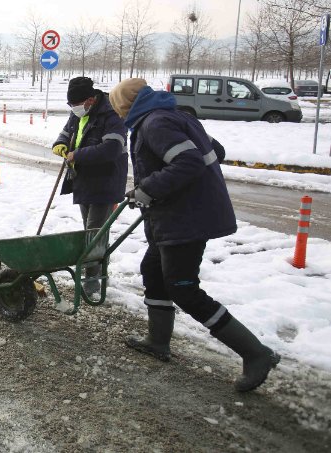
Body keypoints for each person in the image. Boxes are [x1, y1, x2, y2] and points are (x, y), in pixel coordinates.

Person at [109, 78, 280, 392]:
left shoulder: (154, 123)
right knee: (153, 270)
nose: (118, 115)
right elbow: (216, 151)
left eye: (118, 107)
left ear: (126, 105)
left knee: (185, 290)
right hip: (177, 216)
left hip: (185, 220)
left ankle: (257, 353)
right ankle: (157, 341)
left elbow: (188, 162)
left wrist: (149, 188)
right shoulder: (176, 115)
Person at [51, 76, 128, 296]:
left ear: (90, 100)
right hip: (83, 179)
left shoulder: (112, 114)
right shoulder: (78, 112)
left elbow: (112, 148)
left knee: (95, 232)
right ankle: (96, 270)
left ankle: (92, 278)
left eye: (75, 104)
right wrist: (60, 144)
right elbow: (67, 132)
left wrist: (78, 154)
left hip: (106, 180)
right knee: (90, 230)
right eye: (70, 105)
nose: (73, 109)